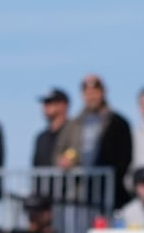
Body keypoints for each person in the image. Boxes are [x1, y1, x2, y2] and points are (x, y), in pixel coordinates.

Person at [56, 73, 133, 208]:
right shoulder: (73, 124)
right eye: (88, 92)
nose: (92, 96)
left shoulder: (117, 123)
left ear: (103, 92)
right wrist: (63, 161)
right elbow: (59, 150)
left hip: (109, 192)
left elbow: (125, 157)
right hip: (79, 192)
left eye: (95, 91)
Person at [33, 88, 71, 168]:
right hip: (44, 181)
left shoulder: (75, 132)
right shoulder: (41, 137)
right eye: (45, 103)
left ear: (63, 105)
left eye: (50, 102)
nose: (45, 106)